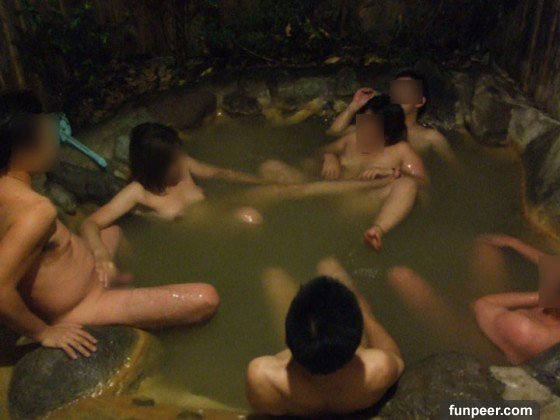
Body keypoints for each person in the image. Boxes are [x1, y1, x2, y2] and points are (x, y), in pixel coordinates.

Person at [0, 91, 219, 359]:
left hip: (87, 275)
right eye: (50, 134)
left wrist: (100, 254)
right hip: (86, 304)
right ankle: (147, 325)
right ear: (22, 150)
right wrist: (43, 333)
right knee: (206, 298)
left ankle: (131, 282)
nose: (57, 140)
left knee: (111, 230)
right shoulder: (36, 211)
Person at [81, 122, 264, 286]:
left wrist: (261, 181)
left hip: (221, 211)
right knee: (249, 216)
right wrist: (101, 254)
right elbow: (90, 223)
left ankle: (259, 262)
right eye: (172, 161)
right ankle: (255, 270)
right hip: (199, 242)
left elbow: (222, 174)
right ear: (153, 166)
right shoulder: (138, 192)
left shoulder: (182, 164)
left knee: (275, 191)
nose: (179, 162)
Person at [246, 257, 404, 417]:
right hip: (352, 381)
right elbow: (396, 358)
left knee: (272, 275)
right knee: (328, 265)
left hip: (295, 385)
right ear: (357, 337)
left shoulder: (264, 379)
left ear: (288, 338)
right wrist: (366, 315)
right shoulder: (379, 369)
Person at [321, 94, 430, 251]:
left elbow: (423, 184)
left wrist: (390, 172)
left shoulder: (401, 151)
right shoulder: (351, 140)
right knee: (280, 169)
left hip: (364, 204)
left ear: (387, 130)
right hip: (328, 195)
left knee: (407, 184)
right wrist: (329, 157)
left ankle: (376, 230)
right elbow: (318, 153)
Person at [327, 69, 458, 166]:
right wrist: (354, 106)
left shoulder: (430, 137)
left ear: (420, 101)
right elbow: (333, 134)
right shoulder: (375, 125)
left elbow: (453, 169)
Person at [472, 234, 560, 364]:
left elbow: (481, 304)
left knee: (436, 304)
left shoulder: (527, 331)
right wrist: (513, 243)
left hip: (482, 344)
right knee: (486, 247)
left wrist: (542, 296)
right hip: (501, 319)